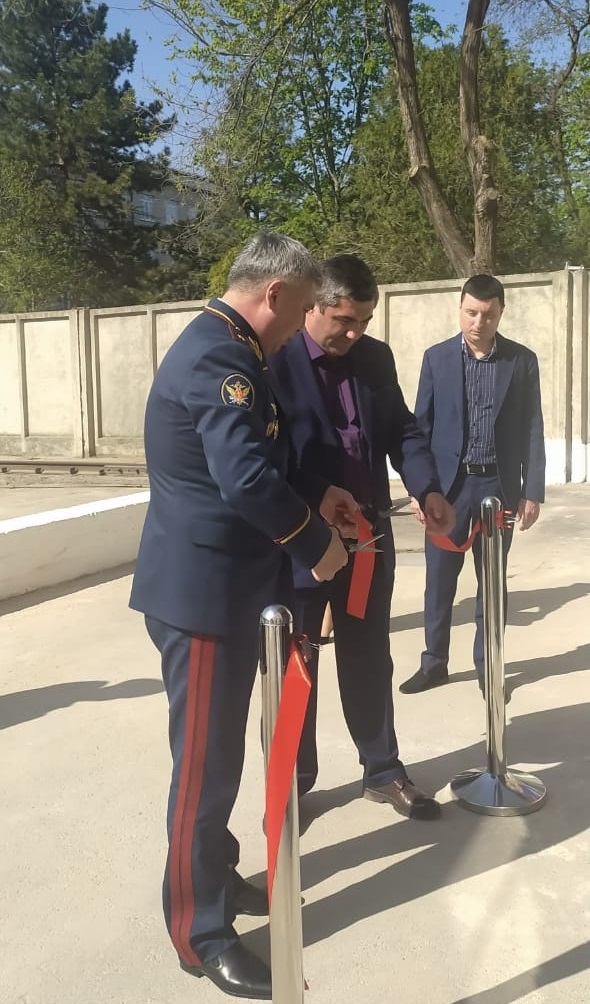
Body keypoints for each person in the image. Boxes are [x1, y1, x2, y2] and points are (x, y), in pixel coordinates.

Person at [129, 233, 356, 1001]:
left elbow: (266, 458)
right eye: (302, 310)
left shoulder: (232, 349)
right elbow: (244, 479)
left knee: (219, 760)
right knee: (205, 769)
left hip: (226, 589)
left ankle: (216, 877)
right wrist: (316, 543)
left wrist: (317, 495)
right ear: (274, 294)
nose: (302, 326)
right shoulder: (220, 359)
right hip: (204, 597)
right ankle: (199, 932)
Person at [269, 254, 455, 821]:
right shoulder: (274, 360)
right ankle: (292, 786)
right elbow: (270, 458)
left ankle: (383, 770)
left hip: (368, 540)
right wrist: (317, 498)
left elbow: (403, 430)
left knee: (370, 655)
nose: (354, 333)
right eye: (344, 321)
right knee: (296, 665)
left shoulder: (375, 358)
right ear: (312, 307)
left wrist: (426, 487)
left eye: (364, 321)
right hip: (302, 542)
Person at [399, 273, 545, 697]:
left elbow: (533, 426)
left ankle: (488, 667)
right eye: (471, 313)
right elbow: (421, 426)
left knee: (492, 584)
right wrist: (419, 488)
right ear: (460, 309)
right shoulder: (437, 359)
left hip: (499, 486)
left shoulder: (521, 361)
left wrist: (532, 490)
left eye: (488, 314)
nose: (479, 322)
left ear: (501, 312)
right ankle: (434, 662)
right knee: (439, 582)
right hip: (448, 489)